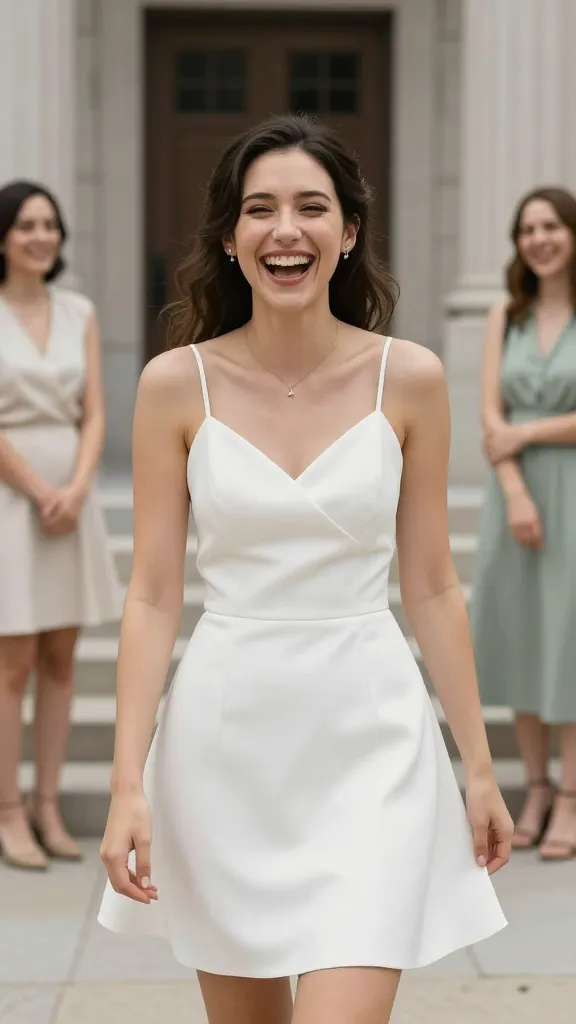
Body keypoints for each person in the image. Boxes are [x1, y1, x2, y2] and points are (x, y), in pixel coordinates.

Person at [98, 115, 509, 1024]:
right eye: (260, 210)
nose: (287, 229)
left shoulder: (412, 378)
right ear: (231, 241)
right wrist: (129, 781)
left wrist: (478, 764)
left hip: (369, 738)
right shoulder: (175, 384)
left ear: (349, 232)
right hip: (224, 743)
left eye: (312, 208)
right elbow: (153, 594)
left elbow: (434, 581)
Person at [0, 181, 121, 871]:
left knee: (61, 660)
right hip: (12, 501)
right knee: (11, 663)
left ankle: (47, 802)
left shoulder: (79, 312)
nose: (41, 236)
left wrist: (75, 489)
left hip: (71, 501)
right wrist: (39, 489)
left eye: (50, 224)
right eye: (26, 224)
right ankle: (8, 809)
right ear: (2, 237)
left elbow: (96, 411)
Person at [471, 186, 576, 861]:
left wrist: (527, 434)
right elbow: (489, 418)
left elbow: (513, 428)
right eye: (526, 229)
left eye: (551, 226)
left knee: (568, 638)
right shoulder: (502, 314)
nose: (538, 239)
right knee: (520, 637)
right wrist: (513, 491)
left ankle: (572, 795)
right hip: (513, 499)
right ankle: (535, 788)